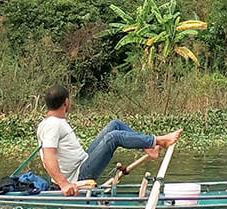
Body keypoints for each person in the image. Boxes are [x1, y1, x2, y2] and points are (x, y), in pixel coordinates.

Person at [36, 84, 181, 196]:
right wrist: (64, 184)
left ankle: (149, 149)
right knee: (113, 137)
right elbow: (48, 157)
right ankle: (158, 140)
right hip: (78, 176)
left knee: (115, 125)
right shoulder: (53, 125)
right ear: (66, 102)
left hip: (82, 163)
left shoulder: (51, 122)